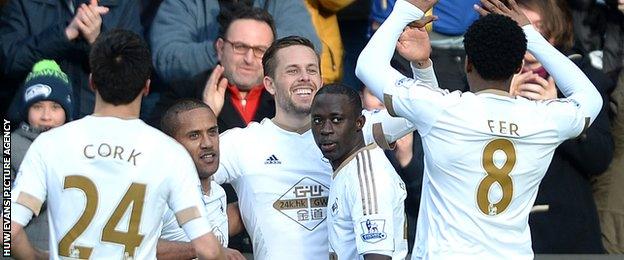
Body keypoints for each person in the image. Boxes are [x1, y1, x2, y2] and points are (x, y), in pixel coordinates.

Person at [356, 0, 603, 258]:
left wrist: (405, 10)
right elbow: (590, 99)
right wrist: (530, 35)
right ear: (518, 66)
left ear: (468, 64)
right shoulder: (544, 118)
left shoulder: (443, 109)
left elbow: (367, 66)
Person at [10, 29, 223, 260]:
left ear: (92, 82)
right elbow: (208, 250)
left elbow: (8, 231)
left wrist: (36, 257)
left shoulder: (49, 144)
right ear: (147, 86)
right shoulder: (171, 154)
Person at [207, 35, 418, 260]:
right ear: (269, 84)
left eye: (311, 70)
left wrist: (421, 65)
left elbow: (424, 113)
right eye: (292, 71)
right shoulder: (241, 143)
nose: (304, 78)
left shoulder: (353, 129)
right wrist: (210, 244)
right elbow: (180, 179)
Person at [510, 0, 614, 253]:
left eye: (538, 29)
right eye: (521, 29)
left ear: (555, 32)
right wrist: (498, 97)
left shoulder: (582, 79)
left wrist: (558, 112)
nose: (530, 39)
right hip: (508, 228)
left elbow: (599, 157)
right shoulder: (486, 75)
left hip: (565, 228)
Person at [0, 0, 142, 120]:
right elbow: (9, 61)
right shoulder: (24, 3)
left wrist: (96, 41)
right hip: (31, 125)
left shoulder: (124, 4)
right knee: (7, 152)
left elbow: (133, 73)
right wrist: (65, 35)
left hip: (97, 128)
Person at [311, 84, 408, 259]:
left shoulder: (367, 176)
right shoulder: (348, 167)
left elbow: (377, 256)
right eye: (318, 120)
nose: (325, 130)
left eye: (336, 120)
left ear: (359, 123)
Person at [149, 0, 321, 86]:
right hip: (198, 102)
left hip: (270, 106)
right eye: (241, 47)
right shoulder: (185, 3)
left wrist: (250, 44)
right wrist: (222, 50)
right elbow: (167, 58)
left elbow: (307, 46)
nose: (248, 57)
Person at [158, 99, 245, 260]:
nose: (207, 143)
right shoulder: (161, 194)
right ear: (171, 144)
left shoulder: (218, 192)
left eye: (212, 132)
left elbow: (225, 223)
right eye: (194, 135)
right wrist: (205, 248)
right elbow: (137, 244)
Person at [10, 60, 73, 252]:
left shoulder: (78, 148)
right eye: (37, 106)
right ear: (26, 110)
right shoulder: (8, 147)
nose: (47, 116)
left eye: (55, 107)